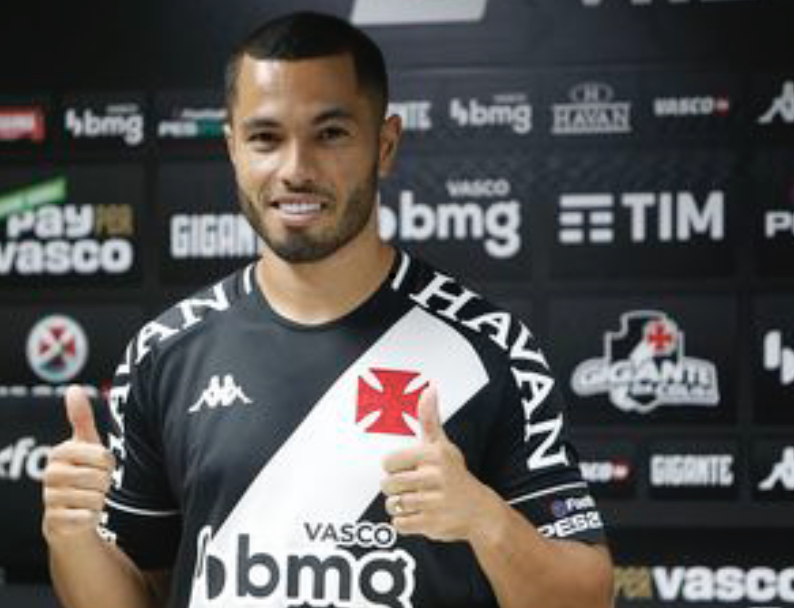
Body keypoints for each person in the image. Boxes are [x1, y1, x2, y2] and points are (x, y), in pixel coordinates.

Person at [42, 11, 614, 608]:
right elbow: (142, 592)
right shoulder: (167, 351)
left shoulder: (487, 347)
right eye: (266, 138)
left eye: (330, 134)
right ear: (232, 147)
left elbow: (588, 597)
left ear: (384, 145)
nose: (296, 170)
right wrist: (72, 537)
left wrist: (484, 519)